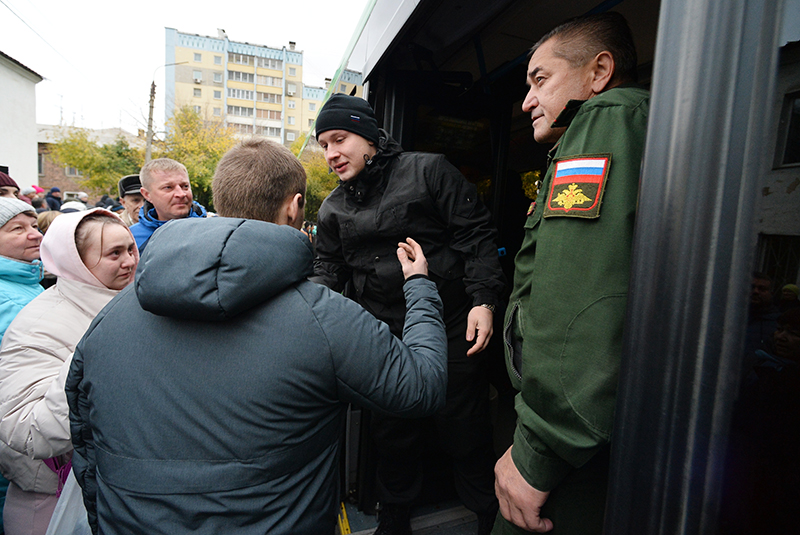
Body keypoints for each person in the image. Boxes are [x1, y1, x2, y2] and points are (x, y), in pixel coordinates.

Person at [65, 138, 448, 535]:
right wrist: (419, 285)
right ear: (295, 206)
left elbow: (87, 448)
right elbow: (421, 386)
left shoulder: (109, 320)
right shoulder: (323, 318)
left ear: (221, 198)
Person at [313, 94, 505, 535]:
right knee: (391, 431)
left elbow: (476, 235)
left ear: (368, 137)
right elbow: (327, 270)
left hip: (452, 323)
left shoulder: (429, 171)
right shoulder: (332, 209)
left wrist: (483, 300)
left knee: (464, 427)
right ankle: (394, 515)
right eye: (324, 146)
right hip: (382, 333)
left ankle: (486, 514)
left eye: (339, 140)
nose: (331, 154)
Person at [493, 12, 649, 534]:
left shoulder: (601, 121)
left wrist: (536, 450)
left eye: (541, 80)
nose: (526, 101)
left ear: (598, 72)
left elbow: (580, 301)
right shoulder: (629, 125)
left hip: (570, 449)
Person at [0, 209, 137, 535]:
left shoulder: (127, 303)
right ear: (75, 262)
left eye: (130, 248)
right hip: (49, 504)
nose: (130, 261)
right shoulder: (39, 324)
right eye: (114, 254)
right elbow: (27, 431)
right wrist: (91, 355)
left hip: (108, 495)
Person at [0, 198, 44, 533]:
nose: (35, 235)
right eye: (18, 229)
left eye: (34, 225)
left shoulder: (28, 283)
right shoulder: (7, 298)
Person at [129, 158, 207, 252]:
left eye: (185, 186)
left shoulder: (211, 231)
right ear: (147, 194)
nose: (181, 194)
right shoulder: (131, 238)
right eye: (168, 187)